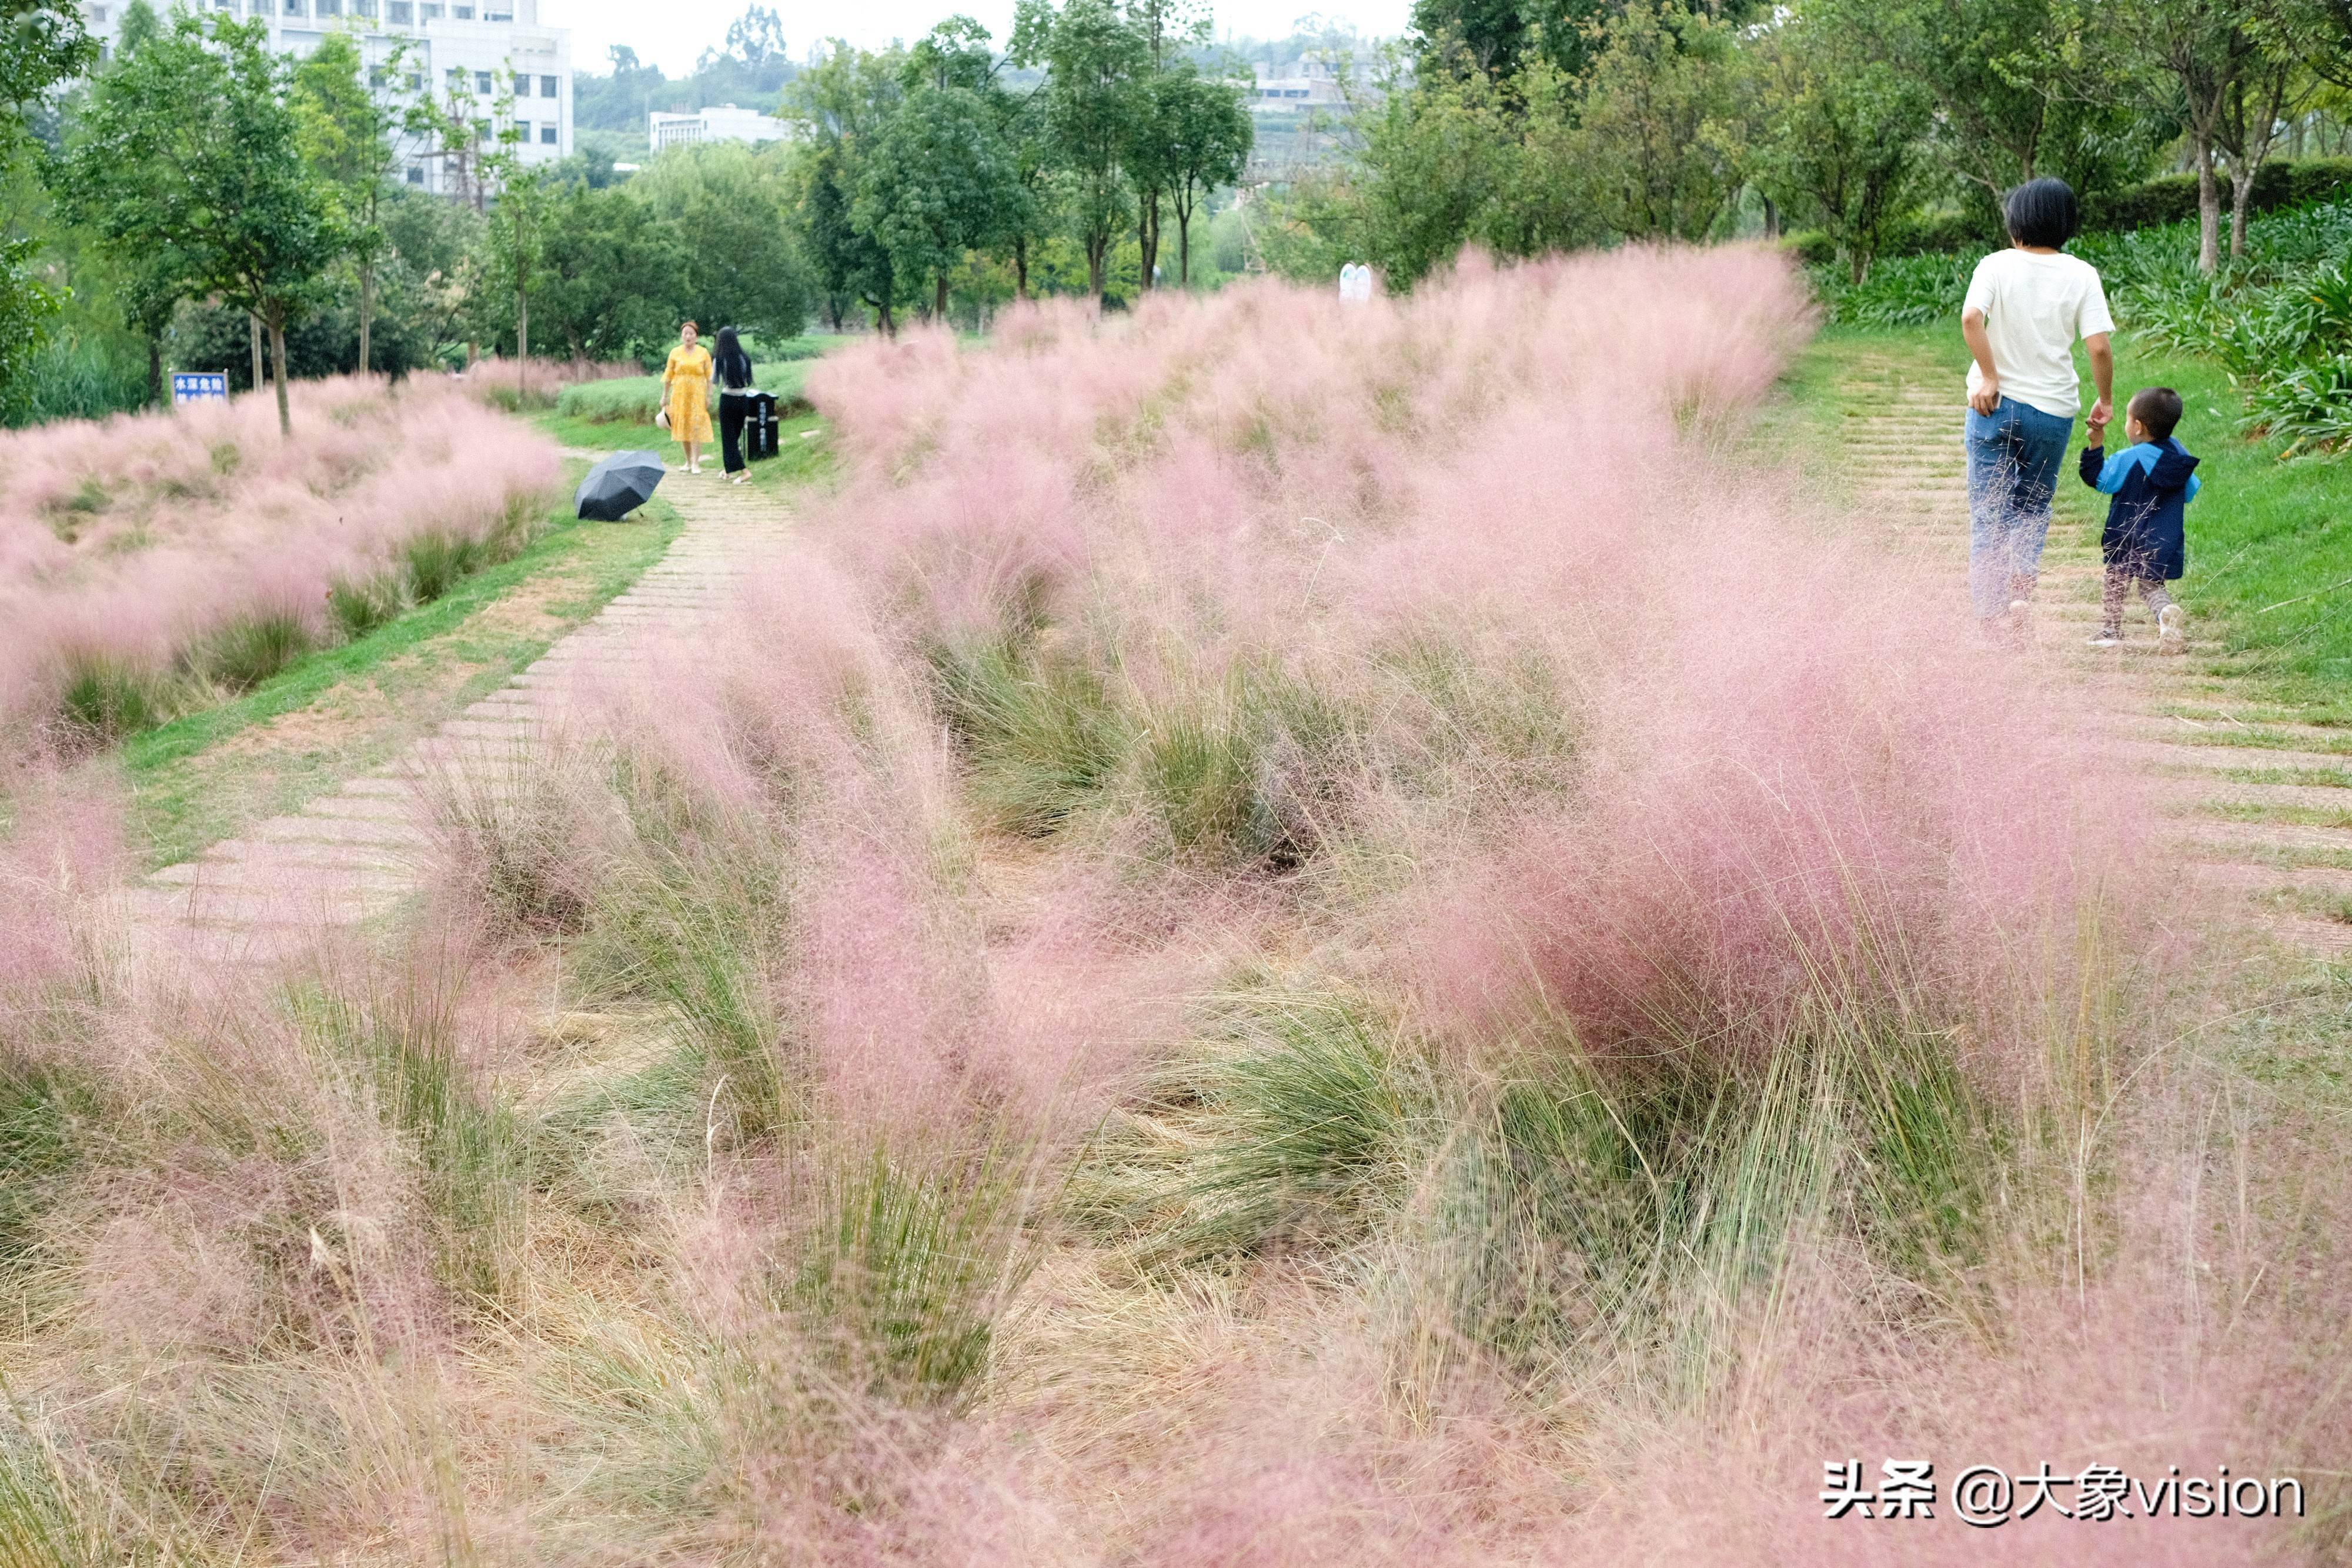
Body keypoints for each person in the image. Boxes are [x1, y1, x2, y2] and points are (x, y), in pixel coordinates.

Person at [1960, 178, 2115, 644]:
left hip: (1992, 407)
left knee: (1989, 512)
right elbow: (2100, 348)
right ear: (2067, 225)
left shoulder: (1995, 264)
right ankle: (2020, 594)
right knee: (2031, 507)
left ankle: (1989, 622)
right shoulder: (2082, 273)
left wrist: (1990, 376)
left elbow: (1971, 319)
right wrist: (2106, 401)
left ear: (2014, 223)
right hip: (2051, 411)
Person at [2079, 387, 2200, 653]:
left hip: (2125, 534)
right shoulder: (2180, 458)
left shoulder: (2129, 458)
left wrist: (2095, 444)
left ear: (2137, 426)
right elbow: (2190, 492)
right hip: (2164, 539)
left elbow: (2098, 479)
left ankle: (2111, 629)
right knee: (2150, 586)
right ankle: (2165, 614)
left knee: (2116, 581)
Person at [660, 322, 715, 474]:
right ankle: (688, 461)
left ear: (696, 336)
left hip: (698, 394)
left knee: (696, 427)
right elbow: (668, 375)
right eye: (685, 333)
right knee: (683, 426)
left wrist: (709, 396)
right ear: (682, 336)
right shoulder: (675, 353)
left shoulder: (703, 353)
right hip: (680, 394)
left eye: (691, 333)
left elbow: (710, 376)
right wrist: (664, 396)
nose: (688, 336)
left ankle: (697, 463)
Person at [711, 326, 757, 486]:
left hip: (728, 399)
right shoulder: (744, 357)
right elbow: (747, 377)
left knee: (728, 438)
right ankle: (727, 470)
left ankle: (744, 472)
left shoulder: (720, 359)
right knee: (734, 437)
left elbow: (714, 380)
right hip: (743, 399)